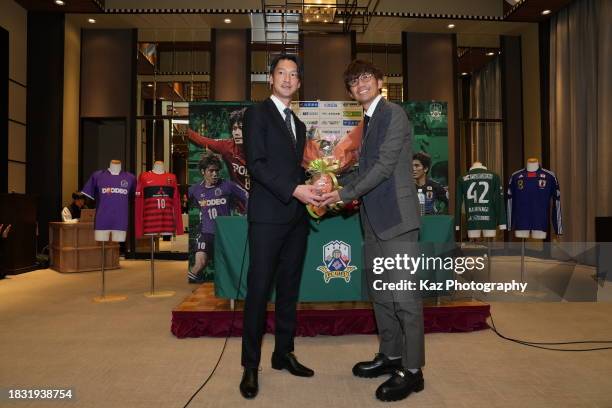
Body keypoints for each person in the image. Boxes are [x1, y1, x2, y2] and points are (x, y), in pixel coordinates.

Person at [320, 60, 425, 402]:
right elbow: (364, 169)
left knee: (405, 298)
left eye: (366, 77)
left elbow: (382, 167)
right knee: (381, 294)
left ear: (380, 81)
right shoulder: (366, 122)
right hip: (373, 221)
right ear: (350, 92)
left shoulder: (394, 114)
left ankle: (412, 371)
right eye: (353, 81)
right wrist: (329, 185)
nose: (360, 84)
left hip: (397, 220)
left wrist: (344, 193)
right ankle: (391, 356)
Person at [239, 54, 321, 399]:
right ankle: (249, 366)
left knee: (289, 290)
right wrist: (293, 189)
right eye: (281, 73)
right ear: (270, 79)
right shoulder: (256, 114)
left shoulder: (299, 126)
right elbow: (255, 164)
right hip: (268, 218)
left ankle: (283, 353)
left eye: (293, 74)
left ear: (299, 84)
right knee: (259, 292)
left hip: (297, 218)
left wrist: (316, 185)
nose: (287, 79)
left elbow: (293, 170)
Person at [188, 154, 248, 283]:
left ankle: (230, 293)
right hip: (206, 233)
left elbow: (247, 196)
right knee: (199, 264)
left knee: (230, 267)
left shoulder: (228, 185)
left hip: (225, 234)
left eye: (217, 170)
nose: (215, 174)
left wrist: (246, 215)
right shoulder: (195, 190)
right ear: (203, 172)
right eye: (211, 171)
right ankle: (191, 291)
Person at [187, 108, 250, 213]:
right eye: (234, 129)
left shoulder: (261, 148)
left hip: (262, 204)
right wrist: (184, 128)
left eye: (241, 128)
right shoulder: (226, 146)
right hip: (241, 207)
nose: (237, 133)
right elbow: (200, 140)